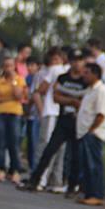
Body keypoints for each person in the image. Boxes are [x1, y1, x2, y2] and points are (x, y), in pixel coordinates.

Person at [21, 48, 87, 194]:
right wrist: (72, 101)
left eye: (80, 60)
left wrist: (70, 100)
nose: (77, 64)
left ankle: (67, 184)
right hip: (61, 117)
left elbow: (85, 100)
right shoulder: (63, 77)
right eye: (74, 60)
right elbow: (56, 96)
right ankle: (37, 179)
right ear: (69, 61)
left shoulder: (85, 80)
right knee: (49, 149)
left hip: (77, 120)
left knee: (73, 154)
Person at [76, 62, 105, 206]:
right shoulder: (90, 90)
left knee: (94, 164)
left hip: (94, 133)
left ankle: (96, 194)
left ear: (95, 74)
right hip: (85, 132)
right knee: (86, 165)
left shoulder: (101, 91)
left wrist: (91, 130)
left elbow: (101, 114)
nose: (83, 76)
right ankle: (89, 193)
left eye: (87, 73)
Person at [32, 48, 67, 189]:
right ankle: (53, 180)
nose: (55, 62)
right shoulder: (64, 71)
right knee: (57, 147)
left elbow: (40, 89)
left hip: (53, 111)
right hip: (59, 111)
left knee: (47, 145)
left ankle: (42, 179)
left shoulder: (54, 70)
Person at [0, 56, 27, 183]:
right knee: (2, 142)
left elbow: (19, 96)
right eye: (6, 66)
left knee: (14, 142)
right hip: (1, 112)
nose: (8, 68)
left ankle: (14, 170)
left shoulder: (19, 80)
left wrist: (14, 82)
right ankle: (2, 169)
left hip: (15, 113)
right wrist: (8, 98)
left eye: (10, 66)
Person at [24, 56, 43, 173]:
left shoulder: (39, 76)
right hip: (31, 114)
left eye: (32, 65)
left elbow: (34, 96)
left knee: (36, 142)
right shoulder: (28, 78)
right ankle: (32, 166)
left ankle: (35, 168)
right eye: (28, 66)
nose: (29, 68)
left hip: (36, 113)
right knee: (30, 142)